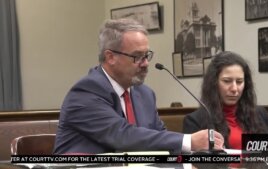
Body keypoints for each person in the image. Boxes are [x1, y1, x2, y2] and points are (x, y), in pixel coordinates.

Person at [53, 18, 224, 155]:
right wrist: (188, 141)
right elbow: (122, 136)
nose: (146, 63)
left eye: (146, 55)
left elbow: (160, 141)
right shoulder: (86, 92)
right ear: (110, 57)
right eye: (137, 56)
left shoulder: (145, 94)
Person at [183, 51, 268, 150]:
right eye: (227, 81)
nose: (234, 88)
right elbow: (192, 162)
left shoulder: (259, 113)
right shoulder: (194, 121)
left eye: (239, 81)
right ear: (213, 83)